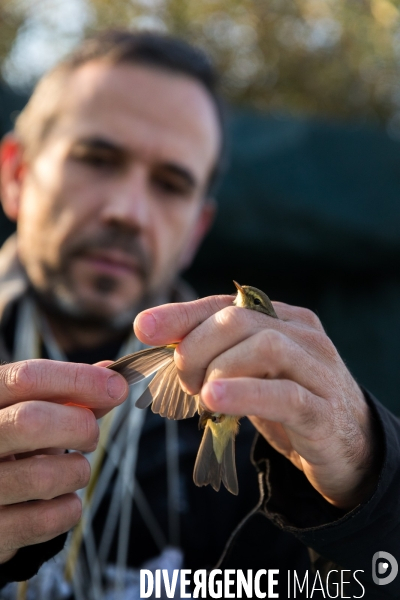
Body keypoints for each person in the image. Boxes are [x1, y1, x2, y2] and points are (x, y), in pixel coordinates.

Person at [0, 29, 398, 600]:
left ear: (197, 231)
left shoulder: (264, 421)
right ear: (16, 174)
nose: (128, 212)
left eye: (170, 183)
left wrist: (373, 494)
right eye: (96, 158)